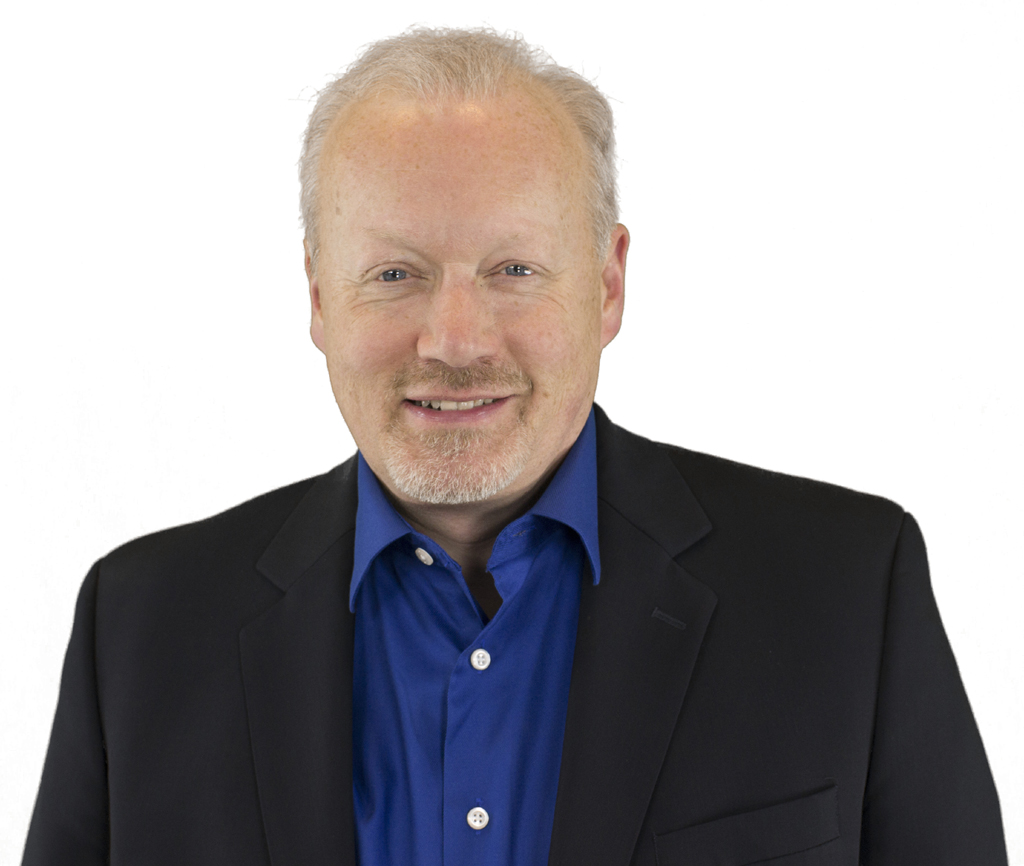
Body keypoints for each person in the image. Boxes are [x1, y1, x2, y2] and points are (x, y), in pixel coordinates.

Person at [23, 27, 1006, 866]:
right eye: (396, 271)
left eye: (514, 267)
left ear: (609, 285)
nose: (455, 340)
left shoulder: (845, 589)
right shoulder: (140, 628)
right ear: (319, 297)